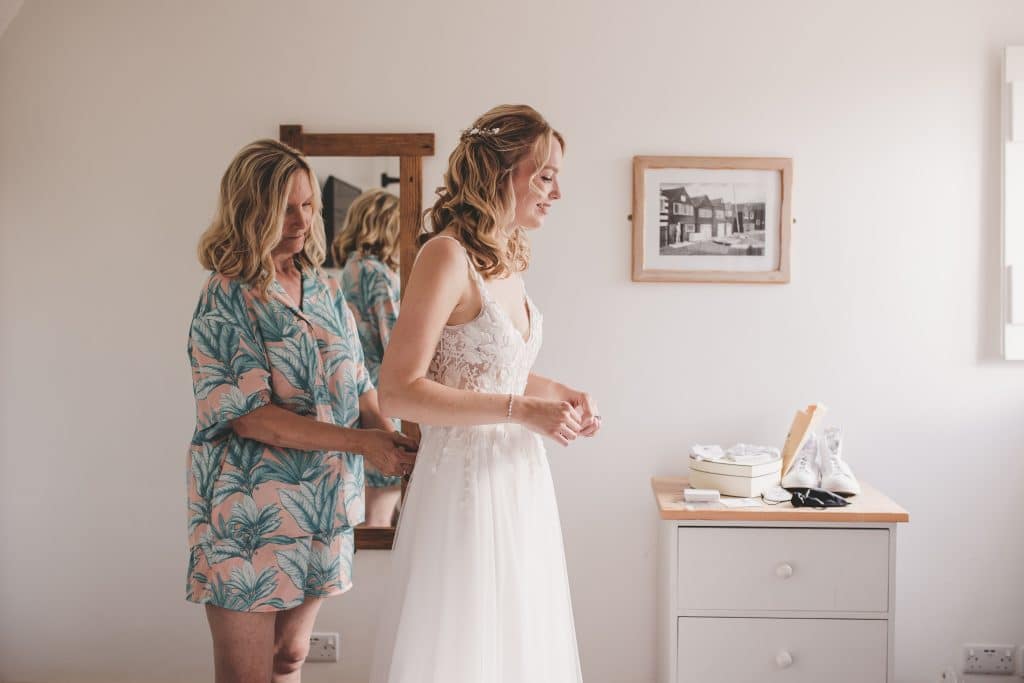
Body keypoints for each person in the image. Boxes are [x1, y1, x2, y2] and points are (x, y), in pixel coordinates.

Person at [369, 105, 601, 683]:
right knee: (465, 646)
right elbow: (397, 391)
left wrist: (560, 394)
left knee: (517, 644)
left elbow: (490, 373)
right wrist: (521, 410)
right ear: (501, 173)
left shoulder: (508, 258)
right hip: (464, 485)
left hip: (520, 480)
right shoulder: (445, 256)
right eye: (544, 177)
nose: (556, 193)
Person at [185, 139, 417, 683]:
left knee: (289, 654)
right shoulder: (226, 295)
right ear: (250, 209)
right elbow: (250, 415)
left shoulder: (325, 289)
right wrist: (363, 444)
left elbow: (360, 384)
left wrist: (394, 443)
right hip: (250, 513)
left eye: (308, 204)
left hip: (325, 508)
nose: (302, 220)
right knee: (247, 674)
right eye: (285, 208)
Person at [332, 189, 404, 524]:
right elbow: (397, 341)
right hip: (381, 392)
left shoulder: (350, 269)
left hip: (358, 392)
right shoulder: (378, 273)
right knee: (381, 510)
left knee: (374, 508)